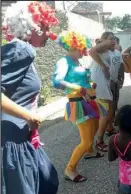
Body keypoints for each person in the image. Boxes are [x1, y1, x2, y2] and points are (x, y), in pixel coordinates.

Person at [1, 1, 59, 193]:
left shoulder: (24, 51)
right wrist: (29, 116)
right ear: (29, 26)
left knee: (45, 181)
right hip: (12, 141)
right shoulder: (21, 49)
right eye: (44, 27)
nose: (49, 34)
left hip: (21, 138)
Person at [52, 31, 104, 182]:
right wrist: (77, 88)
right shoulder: (64, 61)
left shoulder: (77, 62)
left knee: (94, 129)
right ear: (77, 46)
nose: (86, 51)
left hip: (90, 101)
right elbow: (57, 81)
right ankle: (70, 169)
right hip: (79, 103)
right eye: (84, 48)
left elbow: (83, 79)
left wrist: (89, 84)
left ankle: (90, 151)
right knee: (86, 139)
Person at [89, 32, 116, 152]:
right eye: (111, 39)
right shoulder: (104, 45)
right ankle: (99, 141)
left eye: (114, 39)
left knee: (110, 108)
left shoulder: (107, 47)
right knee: (105, 111)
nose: (113, 41)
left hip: (102, 80)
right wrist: (104, 66)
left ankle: (109, 129)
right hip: (98, 81)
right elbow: (91, 52)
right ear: (104, 39)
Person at [107, 38, 124, 133]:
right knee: (110, 102)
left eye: (115, 42)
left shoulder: (117, 53)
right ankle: (110, 125)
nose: (113, 43)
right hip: (108, 81)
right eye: (111, 40)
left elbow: (121, 65)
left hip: (116, 80)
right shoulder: (106, 53)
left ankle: (113, 122)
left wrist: (122, 78)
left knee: (115, 100)